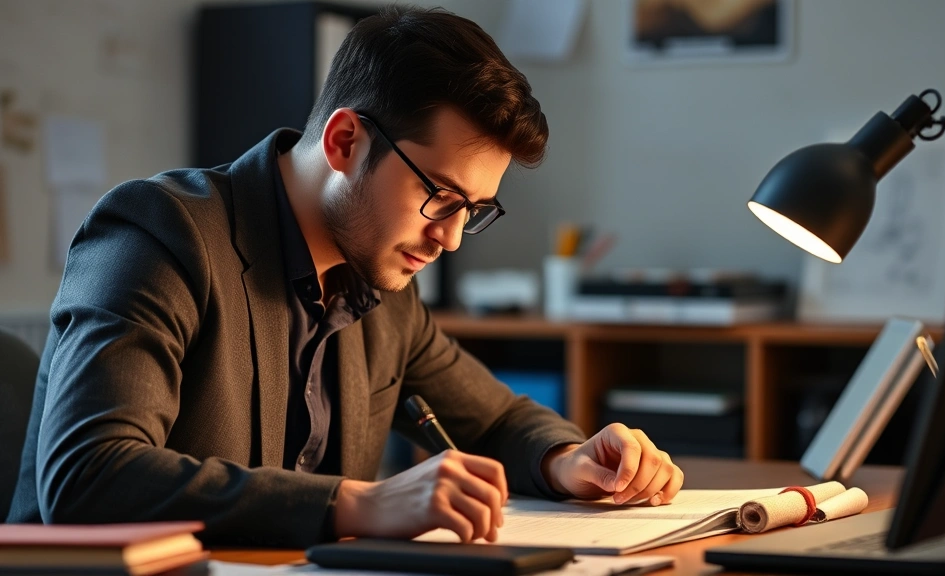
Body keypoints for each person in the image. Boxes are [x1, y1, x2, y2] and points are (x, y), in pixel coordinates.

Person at [7, 6, 683, 548]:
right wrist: (358, 502)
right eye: (440, 198)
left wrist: (568, 460)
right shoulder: (159, 233)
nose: (448, 238)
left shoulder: (382, 284)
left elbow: (498, 416)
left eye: (472, 212)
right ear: (343, 142)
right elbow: (89, 475)